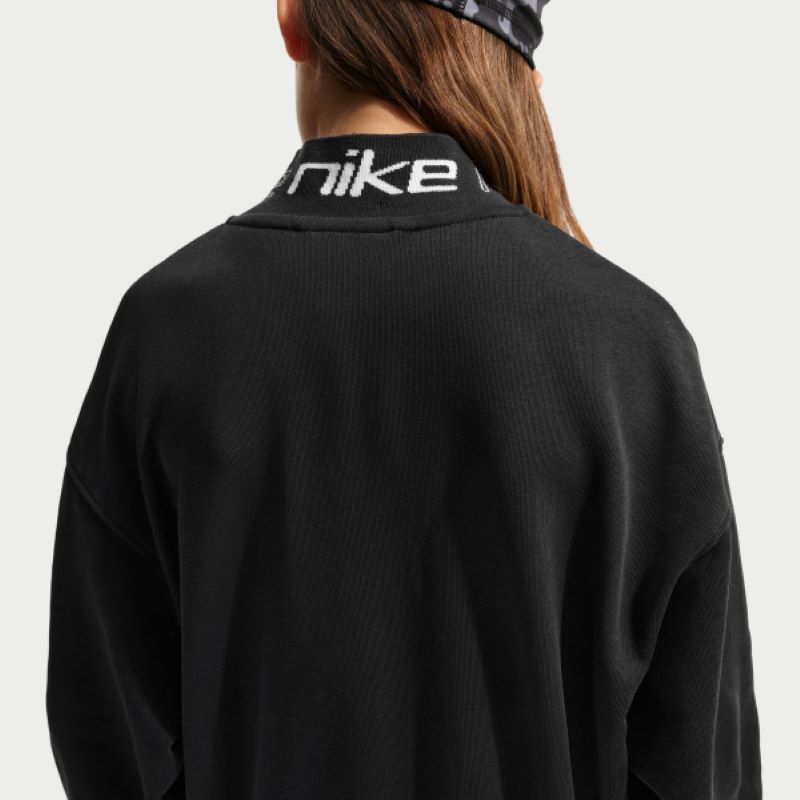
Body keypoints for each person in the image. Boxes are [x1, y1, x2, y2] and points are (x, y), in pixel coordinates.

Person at [45, 1, 761, 798]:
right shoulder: (631, 346)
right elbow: (697, 765)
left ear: (292, 18)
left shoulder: (166, 330)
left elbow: (110, 742)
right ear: (519, 65)